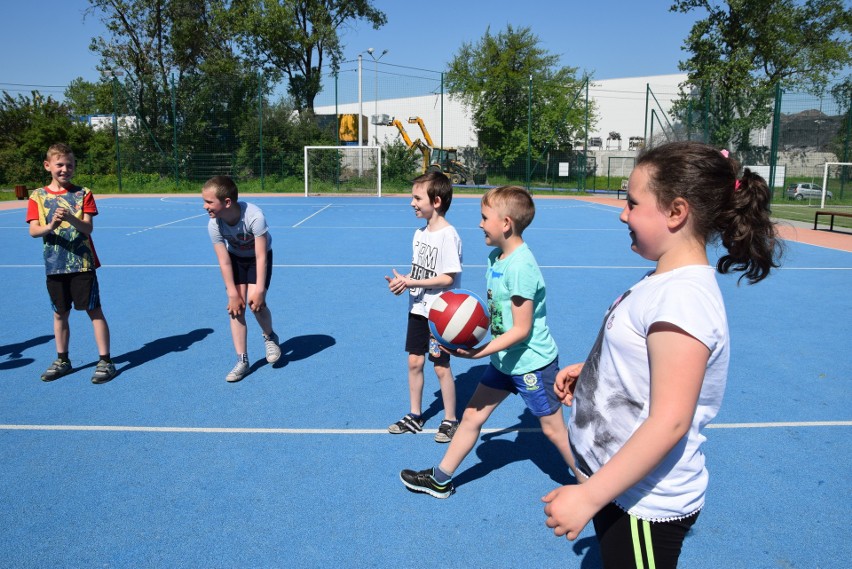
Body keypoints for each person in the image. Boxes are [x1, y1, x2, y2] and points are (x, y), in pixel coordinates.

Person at [542, 142, 783, 568]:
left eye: (633, 204)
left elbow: (671, 420)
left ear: (676, 212)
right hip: (622, 487)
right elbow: (643, 357)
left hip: (644, 502)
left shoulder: (683, 301)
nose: (623, 214)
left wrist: (589, 497)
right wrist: (595, 372)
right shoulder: (663, 281)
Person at [400, 185, 579, 498]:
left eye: (485, 218)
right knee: (471, 417)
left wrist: (478, 352)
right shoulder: (496, 258)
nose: (480, 224)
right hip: (504, 360)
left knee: (553, 430)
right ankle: (440, 478)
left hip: (531, 364)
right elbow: (495, 316)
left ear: (506, 223)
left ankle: (595, 487)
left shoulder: (521, 267)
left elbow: (521, 329)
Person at [26, 143, 117, 384]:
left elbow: (88, 228)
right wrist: (51, 226)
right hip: (55, 265)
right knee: (59, 314)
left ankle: (105, 360)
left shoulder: (83, 193)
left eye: (70, 165)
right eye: (59, 164)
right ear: (48, 166)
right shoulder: (37, 196)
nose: (65, 169)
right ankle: (63, 359)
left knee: (94, 311)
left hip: (82, 264)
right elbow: (34, 231)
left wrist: (70, 218)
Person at [385, 171, 462, 443]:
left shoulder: (448, 235)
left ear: (436, 201)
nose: (412, 203)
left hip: (439, 315)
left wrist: (414, 280)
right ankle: (415, 415)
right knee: (414, 361)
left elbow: (448, 276)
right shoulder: (419, 234)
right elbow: (419, 271)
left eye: (417, 198)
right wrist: (403, 283)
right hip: (417, 309)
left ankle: (450, 419)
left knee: (440, 366)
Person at [202, 175, 281, 382]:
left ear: (227, 202)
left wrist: (261, 289)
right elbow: (224, 261)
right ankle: (242, 361)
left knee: (256, 304)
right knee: (236, 308)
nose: (204, 206)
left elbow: (262, 256)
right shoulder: (214, 225)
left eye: (209, 202)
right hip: (235, 259)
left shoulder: (254, 216)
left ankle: (270, 337)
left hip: (258, 259)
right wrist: (232, 294)